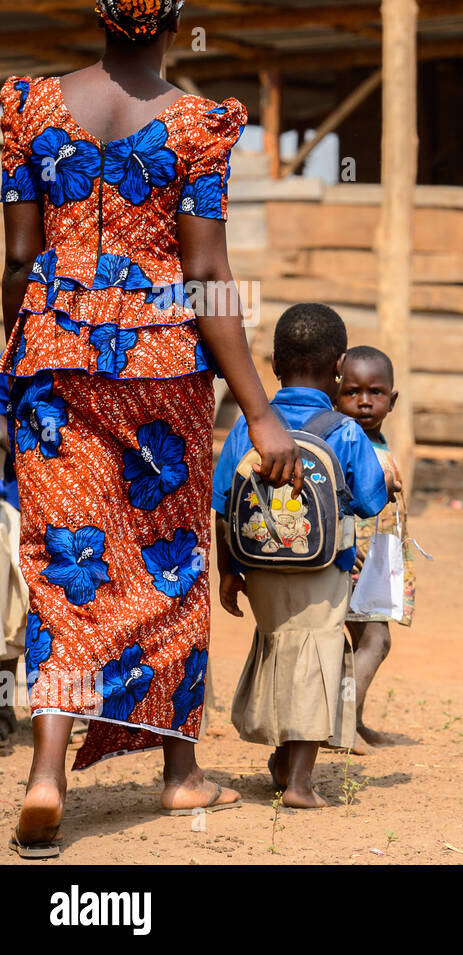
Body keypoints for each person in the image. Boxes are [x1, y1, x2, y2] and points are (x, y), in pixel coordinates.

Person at [2, 0, 303, 858]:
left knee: (67, 563)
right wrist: (258, 405)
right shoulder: (199, 125)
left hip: (50, 357)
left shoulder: (25, 105)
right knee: (166, 556)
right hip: (162, 364)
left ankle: (45, 772)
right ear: (173, 22)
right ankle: (178, 775)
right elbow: (207, 272)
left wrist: (18, 360)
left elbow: (20, 259)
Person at [212, 304, 389, 809]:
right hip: (324, 569)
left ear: (273, 364)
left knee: (280, 651)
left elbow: (224, 505)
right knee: (317, 659)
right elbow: (371, 499)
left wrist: (230, 573)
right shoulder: (346, 431)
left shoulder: (251, 428)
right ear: (339, 367)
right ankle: (300, 784)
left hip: (259, 568)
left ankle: (282, 760)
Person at [336, 345, 412, 749]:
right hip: (350, 563)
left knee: (362, 641)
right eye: (352, 392)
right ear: (336, 395)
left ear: (392, 400)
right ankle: (343, 723)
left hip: (375, 566)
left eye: (376, 393)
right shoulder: (344, 446)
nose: (364, 402)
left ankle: (354, 717)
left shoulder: (376, 442)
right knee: (375, 641)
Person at [0, 377, 25, 741]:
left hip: (72, 510)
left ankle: (75, 709)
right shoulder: (10, 374)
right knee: (8, 616)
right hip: (12, 504)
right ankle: (3, 708)